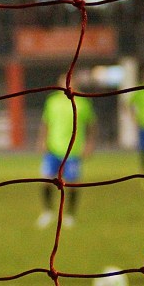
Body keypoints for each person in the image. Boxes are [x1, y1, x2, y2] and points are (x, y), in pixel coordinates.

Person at [36, 71, 96, 229]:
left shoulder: (83, 102)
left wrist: (89, 144)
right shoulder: (52, 101)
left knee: (72, 183)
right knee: (46, 180)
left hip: (73, 150)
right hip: (52, 148)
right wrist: (42, 140)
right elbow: (46, 122)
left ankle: (70, 215)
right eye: (64, 82)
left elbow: (91, 125)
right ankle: (48, 212)